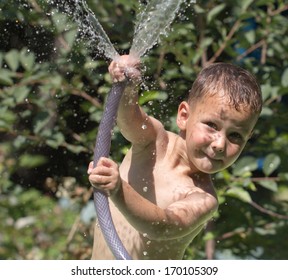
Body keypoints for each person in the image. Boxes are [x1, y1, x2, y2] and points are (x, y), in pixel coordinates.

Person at [88, 55, 262, 260]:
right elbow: (129, 119)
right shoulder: (153, 141)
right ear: (184, 116)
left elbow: (162, 226)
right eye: (212, 126)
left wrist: (118, 189)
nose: (220, 144)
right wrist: (127, 86)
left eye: (235, 136)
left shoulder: (203, 198)